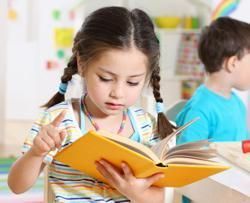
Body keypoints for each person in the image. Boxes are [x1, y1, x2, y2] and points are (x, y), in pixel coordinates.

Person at [8, 6, 175, 203]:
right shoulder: (60, 121)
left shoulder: (147, 127)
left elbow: (163, 198)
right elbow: (17, 186)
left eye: (132, 82)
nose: (118, 93)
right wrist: (36, 153)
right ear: (82, 63)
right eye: (105, 78)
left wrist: (134, 191)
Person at [175, 17, 250, 203]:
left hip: (234, 190)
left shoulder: (236, 103)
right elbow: (186, 162)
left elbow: (242, 146)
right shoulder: (200, 109)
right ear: (233, 63)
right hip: (207, 196)